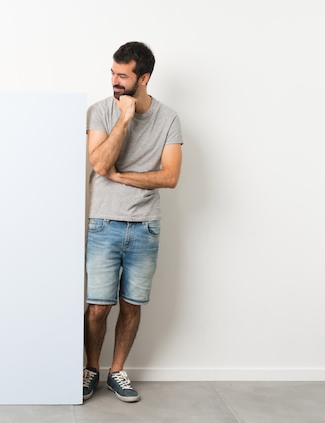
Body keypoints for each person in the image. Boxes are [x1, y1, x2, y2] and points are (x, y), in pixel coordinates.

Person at [83, 41, 183, 403]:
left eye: (122, 75)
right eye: (112, 72)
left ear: (144, 78)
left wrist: (122, 177)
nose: (114, 80)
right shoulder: (99, 112)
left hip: (145, 225)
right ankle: (91, 369)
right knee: (97, 306)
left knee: (131, 304)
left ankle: (117, 371)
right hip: (104, 223)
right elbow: (99, 164)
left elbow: (170, 177)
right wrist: (125, 118)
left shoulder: (168, 118)